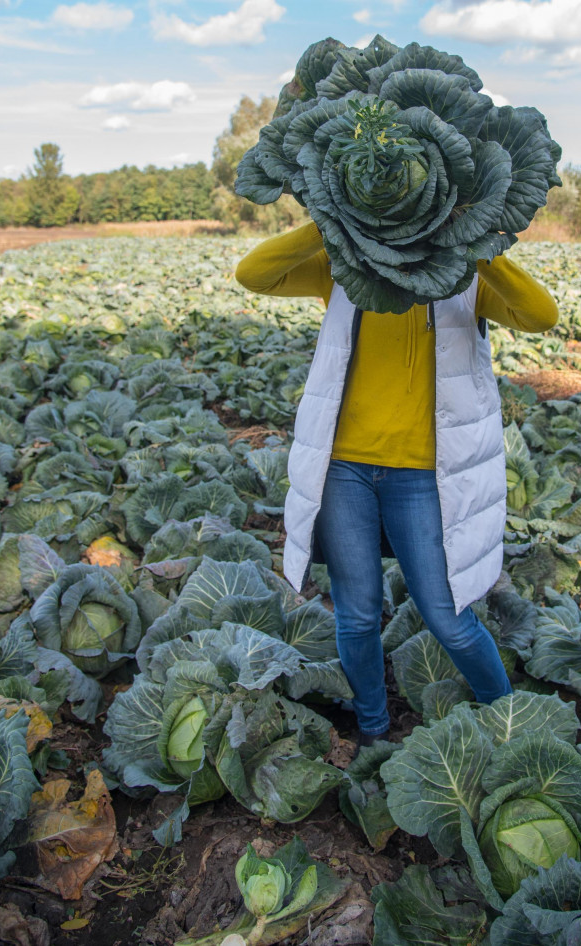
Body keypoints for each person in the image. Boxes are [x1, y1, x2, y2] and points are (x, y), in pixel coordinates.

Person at [235, 220, 559, 746]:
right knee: (357, 614)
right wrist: (329, 220)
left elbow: (540, 315)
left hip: (426, 475)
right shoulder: (341, 269)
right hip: (343, 469)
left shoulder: (467, 279)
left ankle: (507, 722)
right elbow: (255, 274)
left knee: (447, 616)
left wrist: (475, 246)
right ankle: (372, 728)